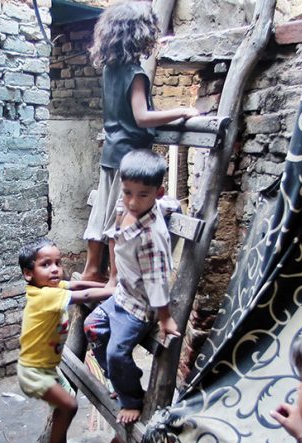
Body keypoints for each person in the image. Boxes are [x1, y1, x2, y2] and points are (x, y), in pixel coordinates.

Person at [80, 0, 199, 283]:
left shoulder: (110, 69)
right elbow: (142, 117)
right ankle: (113, 280)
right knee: (120, 217)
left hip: (110, 152)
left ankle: (92, 269)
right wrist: (182, 111)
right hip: (129, 157)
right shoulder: (135, 73)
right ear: (141, 34)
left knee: (101, 214)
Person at [84, 149, 180, 425]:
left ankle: (132, 398)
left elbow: (158, 283)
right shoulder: (123, 206)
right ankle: (118, 377)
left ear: (157, 193)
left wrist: (164, 318)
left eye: (143, 195)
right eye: (128, 192)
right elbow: (165, 204)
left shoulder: (152, 238)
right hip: (122, 293)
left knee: (116, 353)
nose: (133, 201)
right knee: (92, 327)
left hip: (139, 306)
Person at [17, 238, 114, 443]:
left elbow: (79, 285)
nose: (55, 269)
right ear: (28, 274)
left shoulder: (52, 287)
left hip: (48, 367)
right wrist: (116, 290)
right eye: (46, 264)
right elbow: (86, 296)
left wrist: (107, 285)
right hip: (34, 371)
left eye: (58, 263)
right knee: (69, 405)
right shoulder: (44, 296)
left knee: (66, 401)